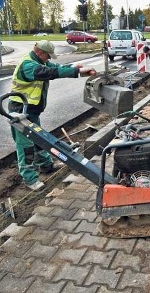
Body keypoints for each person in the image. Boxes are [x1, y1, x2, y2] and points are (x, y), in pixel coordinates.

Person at [8, 40, 96, 190]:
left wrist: (76, 69)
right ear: (40, 52)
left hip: (31, 109)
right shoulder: (28, 65)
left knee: (39, 139)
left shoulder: (39, 62)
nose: (48, 59)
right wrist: (75, 71)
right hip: (20, 110)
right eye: (47, 56)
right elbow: (49, 73)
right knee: (26, 146)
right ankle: (30, 179)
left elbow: (56, 67)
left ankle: (46, 165)